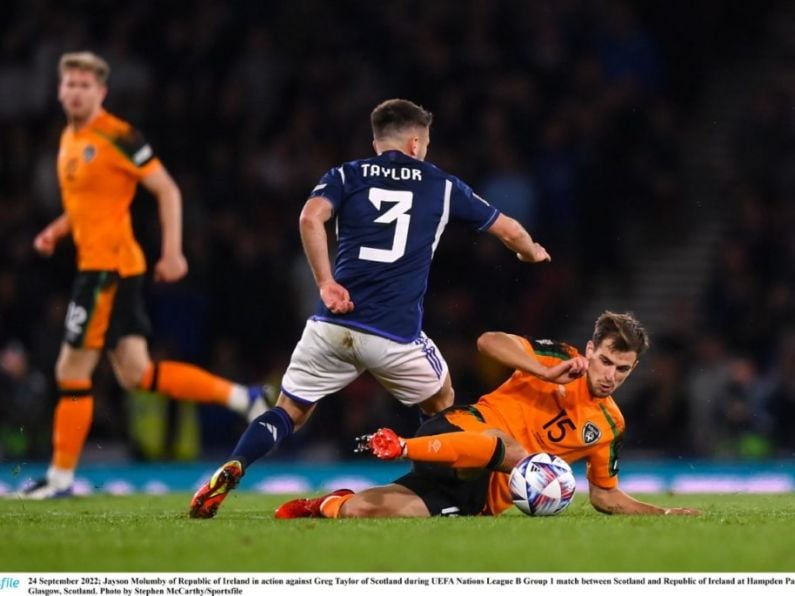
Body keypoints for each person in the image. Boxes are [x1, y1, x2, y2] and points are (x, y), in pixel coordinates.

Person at [189, 98, 551, 518]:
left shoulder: (346, 174)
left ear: (376, 141)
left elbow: (309, 219)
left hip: (333, 323)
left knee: (288, 411)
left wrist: (326, 283)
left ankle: (236, 464)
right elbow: (508, 229)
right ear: (415, 142)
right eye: (427, 142)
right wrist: (531, 252)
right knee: (443, 400)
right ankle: (440, 489)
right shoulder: (441, 183)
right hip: (395, 335)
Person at [20, 52, 271, 500]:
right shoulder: (68, 139)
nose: (76, 92)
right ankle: (243, 398)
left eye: (85, 86)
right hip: (103, 265)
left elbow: (167, 189)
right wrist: (56, 231)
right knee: (136, 373)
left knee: (70, 368)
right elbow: (86, 207)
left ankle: (58, 480)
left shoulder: (118, 136)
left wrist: (173, 251)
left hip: (108, 269)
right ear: (60, 90)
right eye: (70, 84)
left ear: (102, 92)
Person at [274, 311, 701, 518]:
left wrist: (660, 513)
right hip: (459, 432)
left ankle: (325, 505)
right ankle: (403, 445)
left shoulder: (609, 426)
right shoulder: (559, 358)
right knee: (512, 449)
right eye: (605, 361)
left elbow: (606, 495)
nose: (610, 375)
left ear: (634, 369)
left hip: (478, 497)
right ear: (590, 351)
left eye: (622, 369)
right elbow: (487, 341)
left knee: (364, 513)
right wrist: (542, 370)